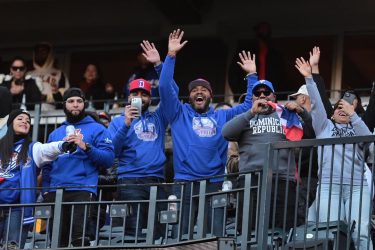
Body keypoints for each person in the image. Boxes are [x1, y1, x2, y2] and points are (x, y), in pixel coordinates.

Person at [158, 29, 254, 237]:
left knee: (214, 237)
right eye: (194, 90)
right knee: (179, 237)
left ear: (211, 95)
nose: (198, 92)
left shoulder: (223, 116)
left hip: (215, 183)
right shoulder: (178, 113)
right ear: (189, 96)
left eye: (204, 89)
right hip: (184, 182)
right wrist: (171, 56)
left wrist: (252, 75)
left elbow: (249, 105)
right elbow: (165, 86)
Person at [295, 57, 373, 250]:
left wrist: (353, 115)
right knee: (331, 234)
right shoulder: (324, 125)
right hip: (329, 187)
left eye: (348, 106)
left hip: (357, 187)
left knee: (361, 233)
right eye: (339, 106)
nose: (343, 109)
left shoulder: (358, 126)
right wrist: (309, 78)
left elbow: (367, 138)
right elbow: (317, 102)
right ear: (332, 112)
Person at [108, 40, 174, 237]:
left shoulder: (159, 117)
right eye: (135, 93)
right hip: (129, 181)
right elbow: (111, 152)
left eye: (143, 94)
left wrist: (160, 64)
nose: (139, 97)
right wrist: (126, 124)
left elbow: (170, 93)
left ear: (150, 98)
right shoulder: (118, 121)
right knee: (132, 235)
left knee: (159, 235)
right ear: (128, 97)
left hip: (157, 181)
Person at [41, 88, 114, 247]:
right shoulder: (55, 133)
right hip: (56, 191)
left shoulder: (98, 129)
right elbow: (46, 164)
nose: (75, 105)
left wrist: (85, 146)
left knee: (79, 241)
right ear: (64, 105)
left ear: (84, 104)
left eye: (79, 101)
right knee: (56, 242)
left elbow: (108, 159)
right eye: (71, 101)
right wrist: (46, 189)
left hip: (82, 189)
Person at [0, 109, 72, 249]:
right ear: (10, 124)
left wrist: (63, 145)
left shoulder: (33, 148)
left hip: (17, 208)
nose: (25, 122)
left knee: (11, 247)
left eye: (28, 121)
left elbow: (48, 149)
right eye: (20, 119)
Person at [27, 42, 70, 111]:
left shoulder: (59, 73)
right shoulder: (28, 75)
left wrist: (46, 97)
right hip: (30, 113)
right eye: (37, 51)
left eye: (43, 51)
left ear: (49, 53)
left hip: (52, 112)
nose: (40, 53)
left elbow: (65, 94)